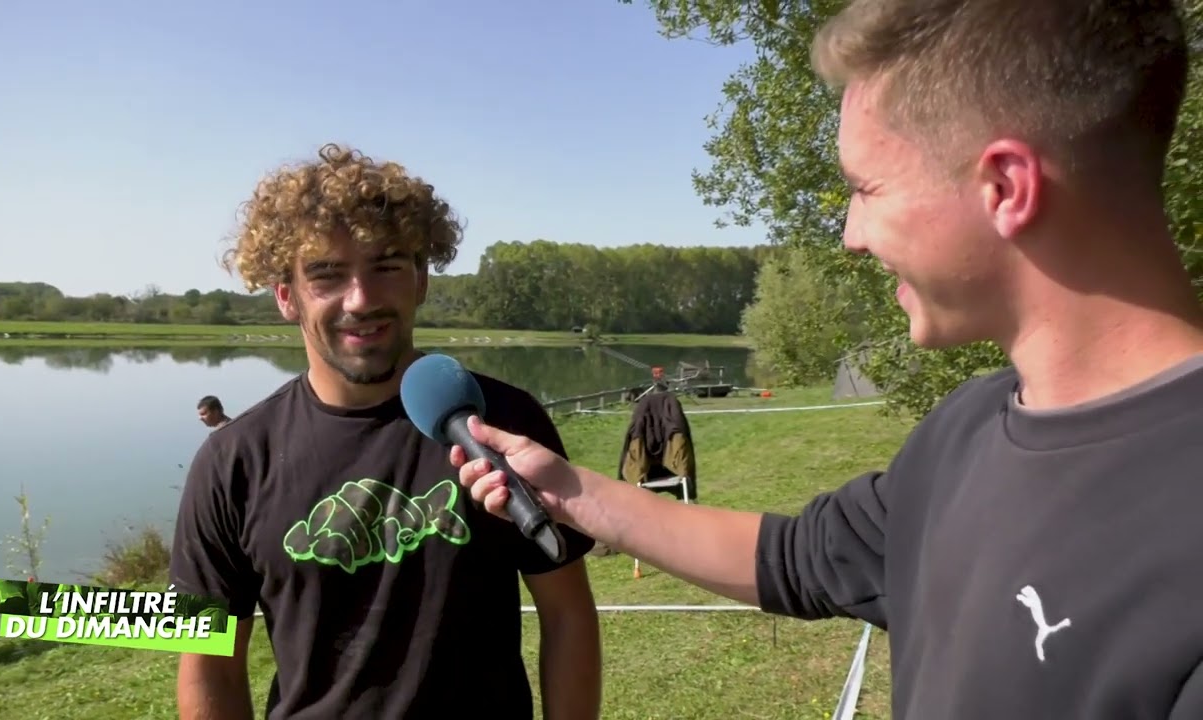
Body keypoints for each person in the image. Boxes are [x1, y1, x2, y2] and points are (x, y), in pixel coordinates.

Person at [450, 1, 1203, 718]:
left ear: (1005, 186)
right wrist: (574, 492)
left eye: (865, 189)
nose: (852, 234)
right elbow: (800, 557)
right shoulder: (965, 429)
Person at [169, 144, 602, 720]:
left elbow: (567, 613)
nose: (361, 299)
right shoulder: (232, 461)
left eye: (387, 267)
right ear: (285, 297)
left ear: (421, 279)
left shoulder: (502, 422)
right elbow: (207, 662)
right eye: (326, 274)